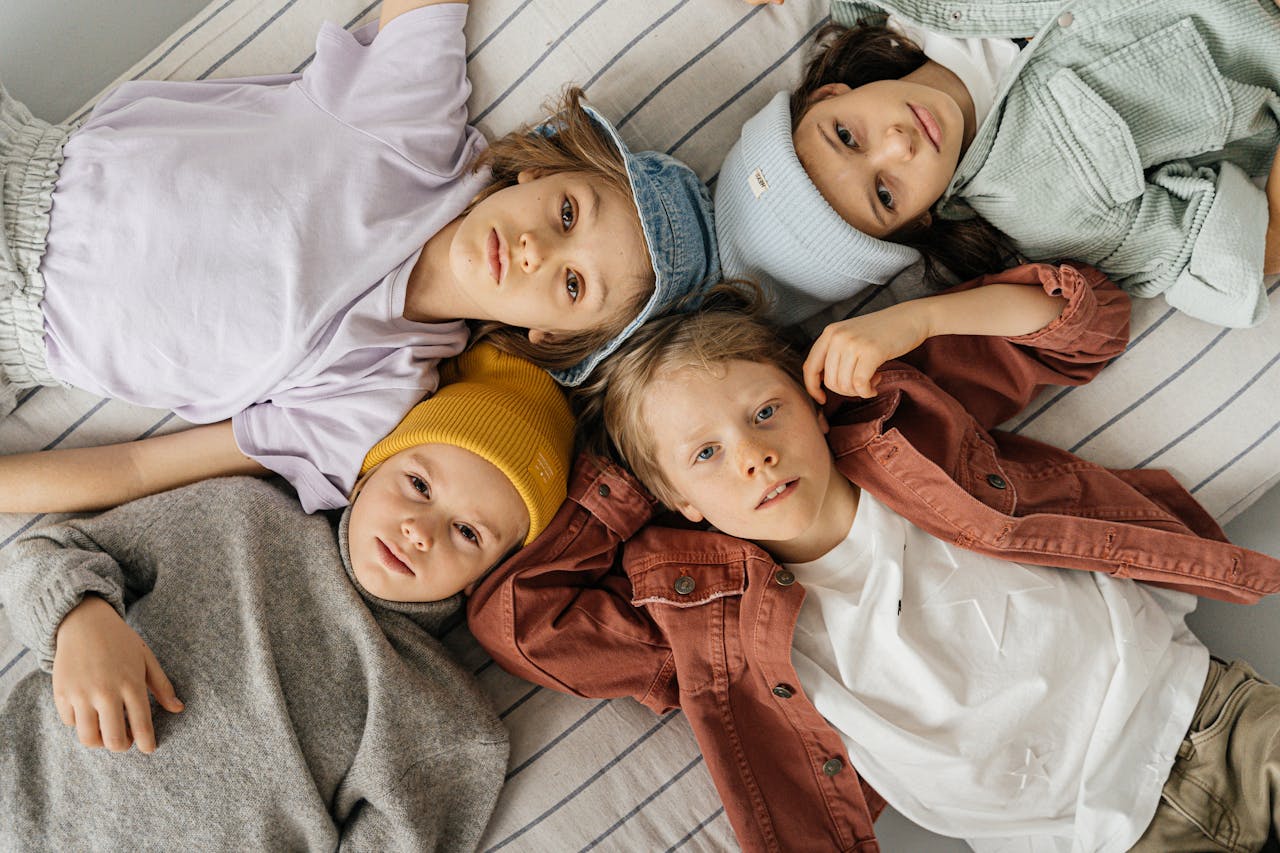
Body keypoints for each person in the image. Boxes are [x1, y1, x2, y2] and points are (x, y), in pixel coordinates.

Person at [466, 268, 1280, 852]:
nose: (752, 455)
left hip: (1208, 715)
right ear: (674, 497)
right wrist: (620, 486)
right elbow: (521, 622)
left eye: (764, 412)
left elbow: (1086, 322)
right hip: (1086, 837)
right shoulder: (702, 620)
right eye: (706, 453)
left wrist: (917, 322)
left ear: (812, 404)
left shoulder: (908, 425)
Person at [0, 0, 717, 515]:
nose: (535, 249)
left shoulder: (375, 396)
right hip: (21, 165)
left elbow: (137, 466)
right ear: (541, 171)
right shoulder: (412, 130)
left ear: (552, 339)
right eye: (567, 213)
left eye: (570, 283)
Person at [0, 341, 574, 848]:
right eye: (419, 485)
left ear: (485, 576)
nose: (420, 532)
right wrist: (80, 619)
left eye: (467, 533)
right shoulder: (238, 517)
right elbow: (47, 548)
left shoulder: (445, 723)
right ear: (371, 468)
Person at [719, 0, 1280, 329]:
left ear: (827, 95)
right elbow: (1259, 248)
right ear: (918, 224)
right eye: (885, 194)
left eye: (846, 135)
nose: (898, 143)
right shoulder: (1044, 206)